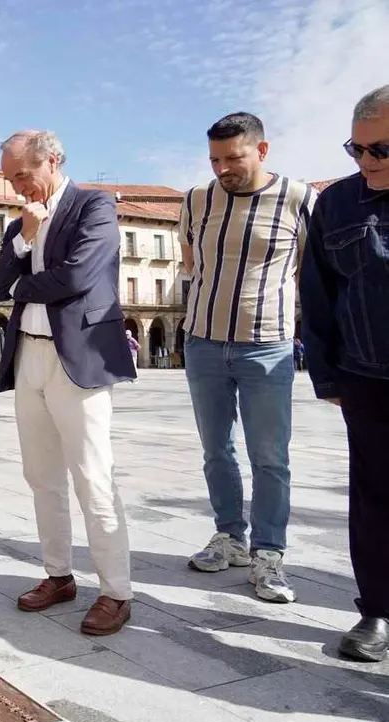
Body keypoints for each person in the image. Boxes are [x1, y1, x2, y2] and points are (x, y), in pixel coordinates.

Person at [0, 130, 136, 636]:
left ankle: (116, 592)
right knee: (41, 476)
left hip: (79, 360)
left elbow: (76, 279)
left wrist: (25, 284)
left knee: (92, 476)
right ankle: (58, 575)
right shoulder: (19, 223)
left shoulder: (94, 209)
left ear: (51, 160)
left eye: (23, 176)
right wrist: (25, 238)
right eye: (10, 180)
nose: (16, 188)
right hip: (29, 357)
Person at [178, 113, 315, 604]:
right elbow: (191, 263)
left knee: (270, 458)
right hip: (204, 343)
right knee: (217, 451)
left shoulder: (300, 199)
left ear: (262, 150)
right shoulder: (196, 201)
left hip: (268, 347)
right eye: (215, 159)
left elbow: (310, 273)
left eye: (233, 158)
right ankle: (229, 537)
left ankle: (269, 553)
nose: (222, 169)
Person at [300, 85, 389, 663]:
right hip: (367, 376)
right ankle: (377, 611)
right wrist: (327, 373)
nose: (366, 162)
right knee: (376, 497)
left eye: (379, 149)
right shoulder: (337, 204)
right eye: (356, 150)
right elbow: (319, 290)